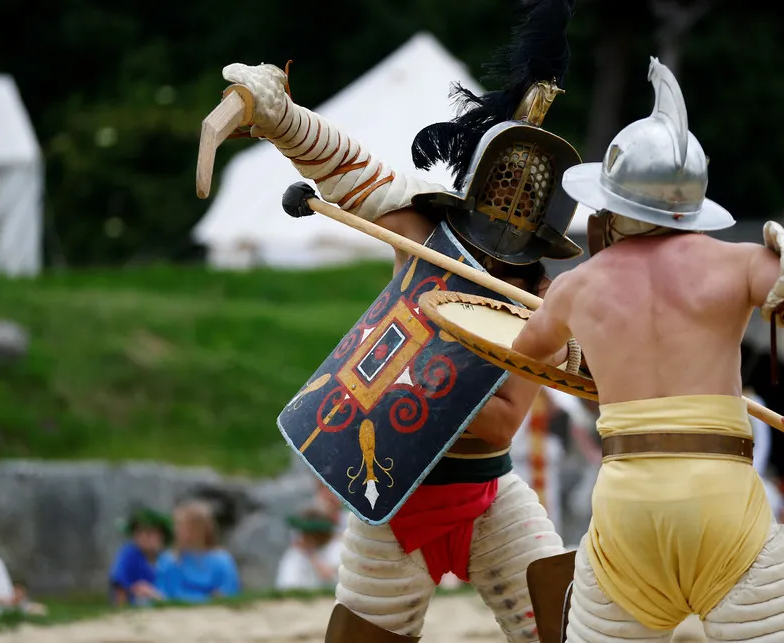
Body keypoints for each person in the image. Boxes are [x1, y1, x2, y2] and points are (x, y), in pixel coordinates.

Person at [218, 2, 578, 639]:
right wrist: (276, 116)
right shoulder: (421, 232)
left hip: (491, 494)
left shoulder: (543, 299)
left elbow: (499, 418)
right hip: (390, 491)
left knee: (562, 626)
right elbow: (341, 165)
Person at [510, 57, 784, 641]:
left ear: (614, 203)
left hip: (625, 510)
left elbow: (529, 356)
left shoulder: (577, 286)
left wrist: (579, 343)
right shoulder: (737, 264)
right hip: (721, 503)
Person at [511, 387, 596, 534]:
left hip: (546, 467)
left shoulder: (551, 384)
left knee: (547, 521)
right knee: (515, 522)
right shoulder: (507, 378)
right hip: (515, 463)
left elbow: (573, 418)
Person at [154, 500, 240, 603]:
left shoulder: (222, 560)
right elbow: (168, 594)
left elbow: (228, 592)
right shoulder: (170, 559)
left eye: (182, 526)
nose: (176, 530)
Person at [109, 507, 172, 606]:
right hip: (136, 602)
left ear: (162, 536)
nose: (143, 537)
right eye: (139, 533)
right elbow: (119, 585)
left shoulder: (167, 558)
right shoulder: (128, 555)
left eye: (149, 533)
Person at [275, 506, 343, 591]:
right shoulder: (294, 554)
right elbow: (286, 585)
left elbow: (332, 579)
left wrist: (314, 558)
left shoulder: (337, 547)